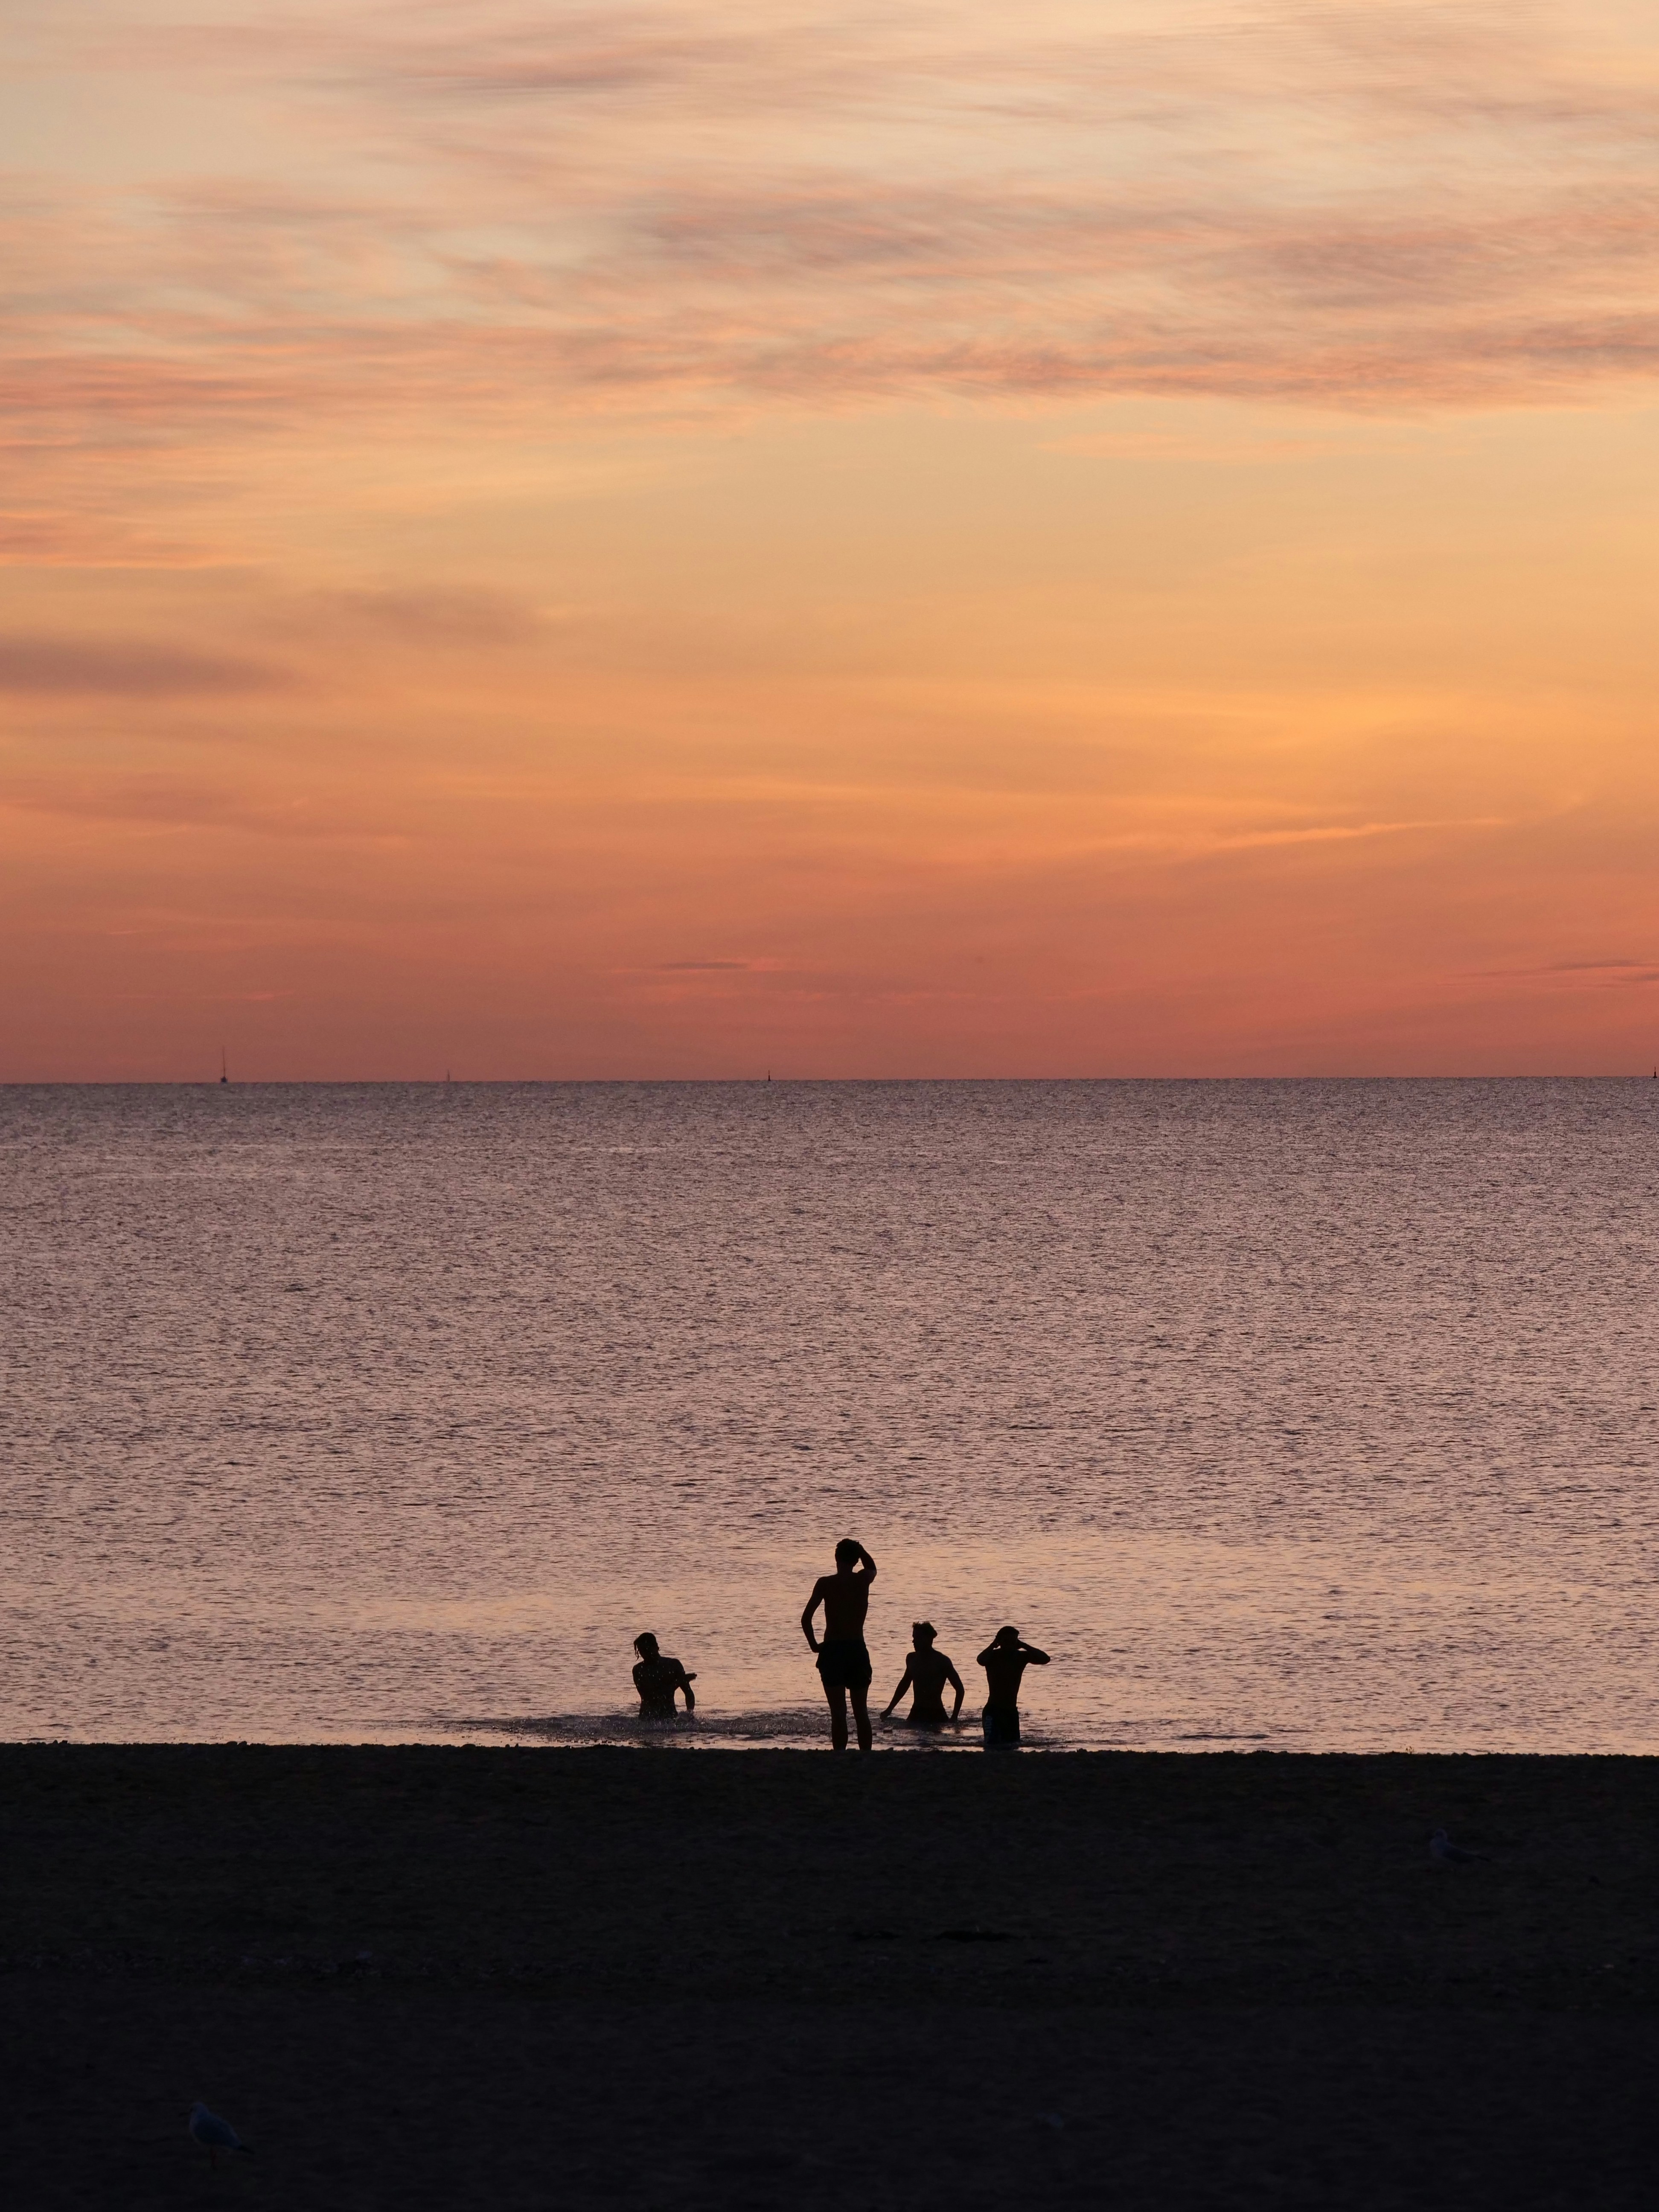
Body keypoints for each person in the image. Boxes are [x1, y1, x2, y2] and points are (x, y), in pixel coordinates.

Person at [801, 1539, 878, 1750]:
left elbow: (806, 1619)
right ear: (856, 1560)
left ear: (836, 1558)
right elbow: (872, 1568)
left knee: (838, 1713)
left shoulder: (825, 1583)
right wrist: (862, 1550)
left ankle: (840, 1755)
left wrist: (815, 1646)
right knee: (861, 1711)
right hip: (856, 1648)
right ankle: (866, 1756)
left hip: (833, 1650)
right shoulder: (863, 1580)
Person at [880, 1621, 964, 1729]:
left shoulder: (942, 1661)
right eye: (914, 1637)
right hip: (916, 1712)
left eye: (918, 1638)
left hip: (937, 1714)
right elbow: (904, 1685)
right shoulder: (911, 1659)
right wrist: (889, 1709)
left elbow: (960, 1689)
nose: (914, 1641)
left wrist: (954, 1717)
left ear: (929, 1639)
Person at [976, 1625, 1049, 1746]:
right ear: (1000, 1642)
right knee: (991, 1746)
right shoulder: (993, 1656)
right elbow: (980, 1660)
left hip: (1011, 1711)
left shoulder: (1020, 1657)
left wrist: (1024, 1646)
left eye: (1013, 1641)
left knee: (1013, 1746)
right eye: (1006, 1641)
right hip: (993, 1710)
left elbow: (1045, 1659)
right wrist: (993, 1645)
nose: (1009, 1645)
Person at [632, 1632, 696, 1719]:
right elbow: (652, 1697)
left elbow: (689, 1694)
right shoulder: (639, 1670)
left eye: (647, 1650)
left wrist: (689, 1714)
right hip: (646, 1720)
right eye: (642, 1651)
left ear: (656, 1647)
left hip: (671, 1718)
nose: (645, 1654)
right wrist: (679, 1681)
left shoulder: (674, 1665)